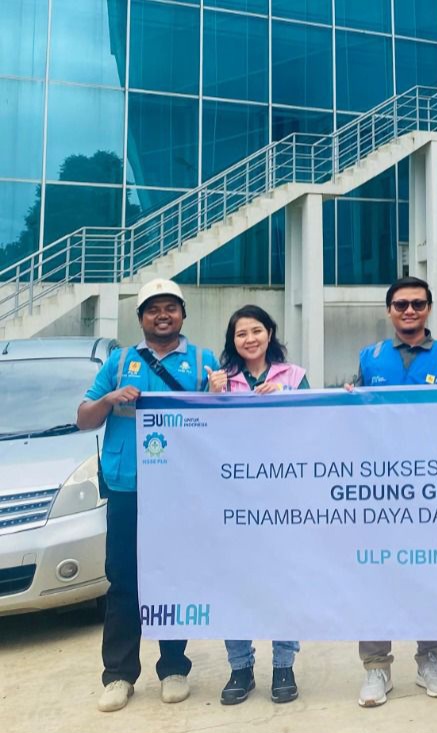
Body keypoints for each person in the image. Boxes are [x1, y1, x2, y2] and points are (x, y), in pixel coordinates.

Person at [77, 278, 219, 713]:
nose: (162, 315)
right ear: (140, 318)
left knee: (174, 576)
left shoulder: (203, 362)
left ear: (182, 315)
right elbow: (84, 418)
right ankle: (119, 675)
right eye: (153, 309)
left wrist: (217, 397)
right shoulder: (119, 362)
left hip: (180, 490)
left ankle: (174, 667)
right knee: (123, 580)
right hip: (128, 488)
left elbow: (223, 426)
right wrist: (110, 398)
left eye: (170, 307)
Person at [348, 276, 437, 707]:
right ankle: (376, 666)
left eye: (418, 303)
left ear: (429, 308)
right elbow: (353, 417)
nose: (409, 311)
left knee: (430, 572)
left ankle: (430, 658)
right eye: (401, 304)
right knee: (375, 571)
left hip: (432, 487)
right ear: (389, 311)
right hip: (378, 487)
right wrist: (347, 401)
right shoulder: (370, 358)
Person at [207, 305, 308, 705]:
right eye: (240, 333)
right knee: (235, 583)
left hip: (283, 498)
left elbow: (316, 424)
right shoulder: (219, 380)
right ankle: (240, 668)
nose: (249, 339)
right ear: (232, 341)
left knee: (283, 581)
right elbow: (202, 438)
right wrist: (212, 398)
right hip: (233, 499)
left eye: (256, 331)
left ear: (270, 333)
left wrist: (286, 398)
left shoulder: (294, 376)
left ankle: (284, 665)